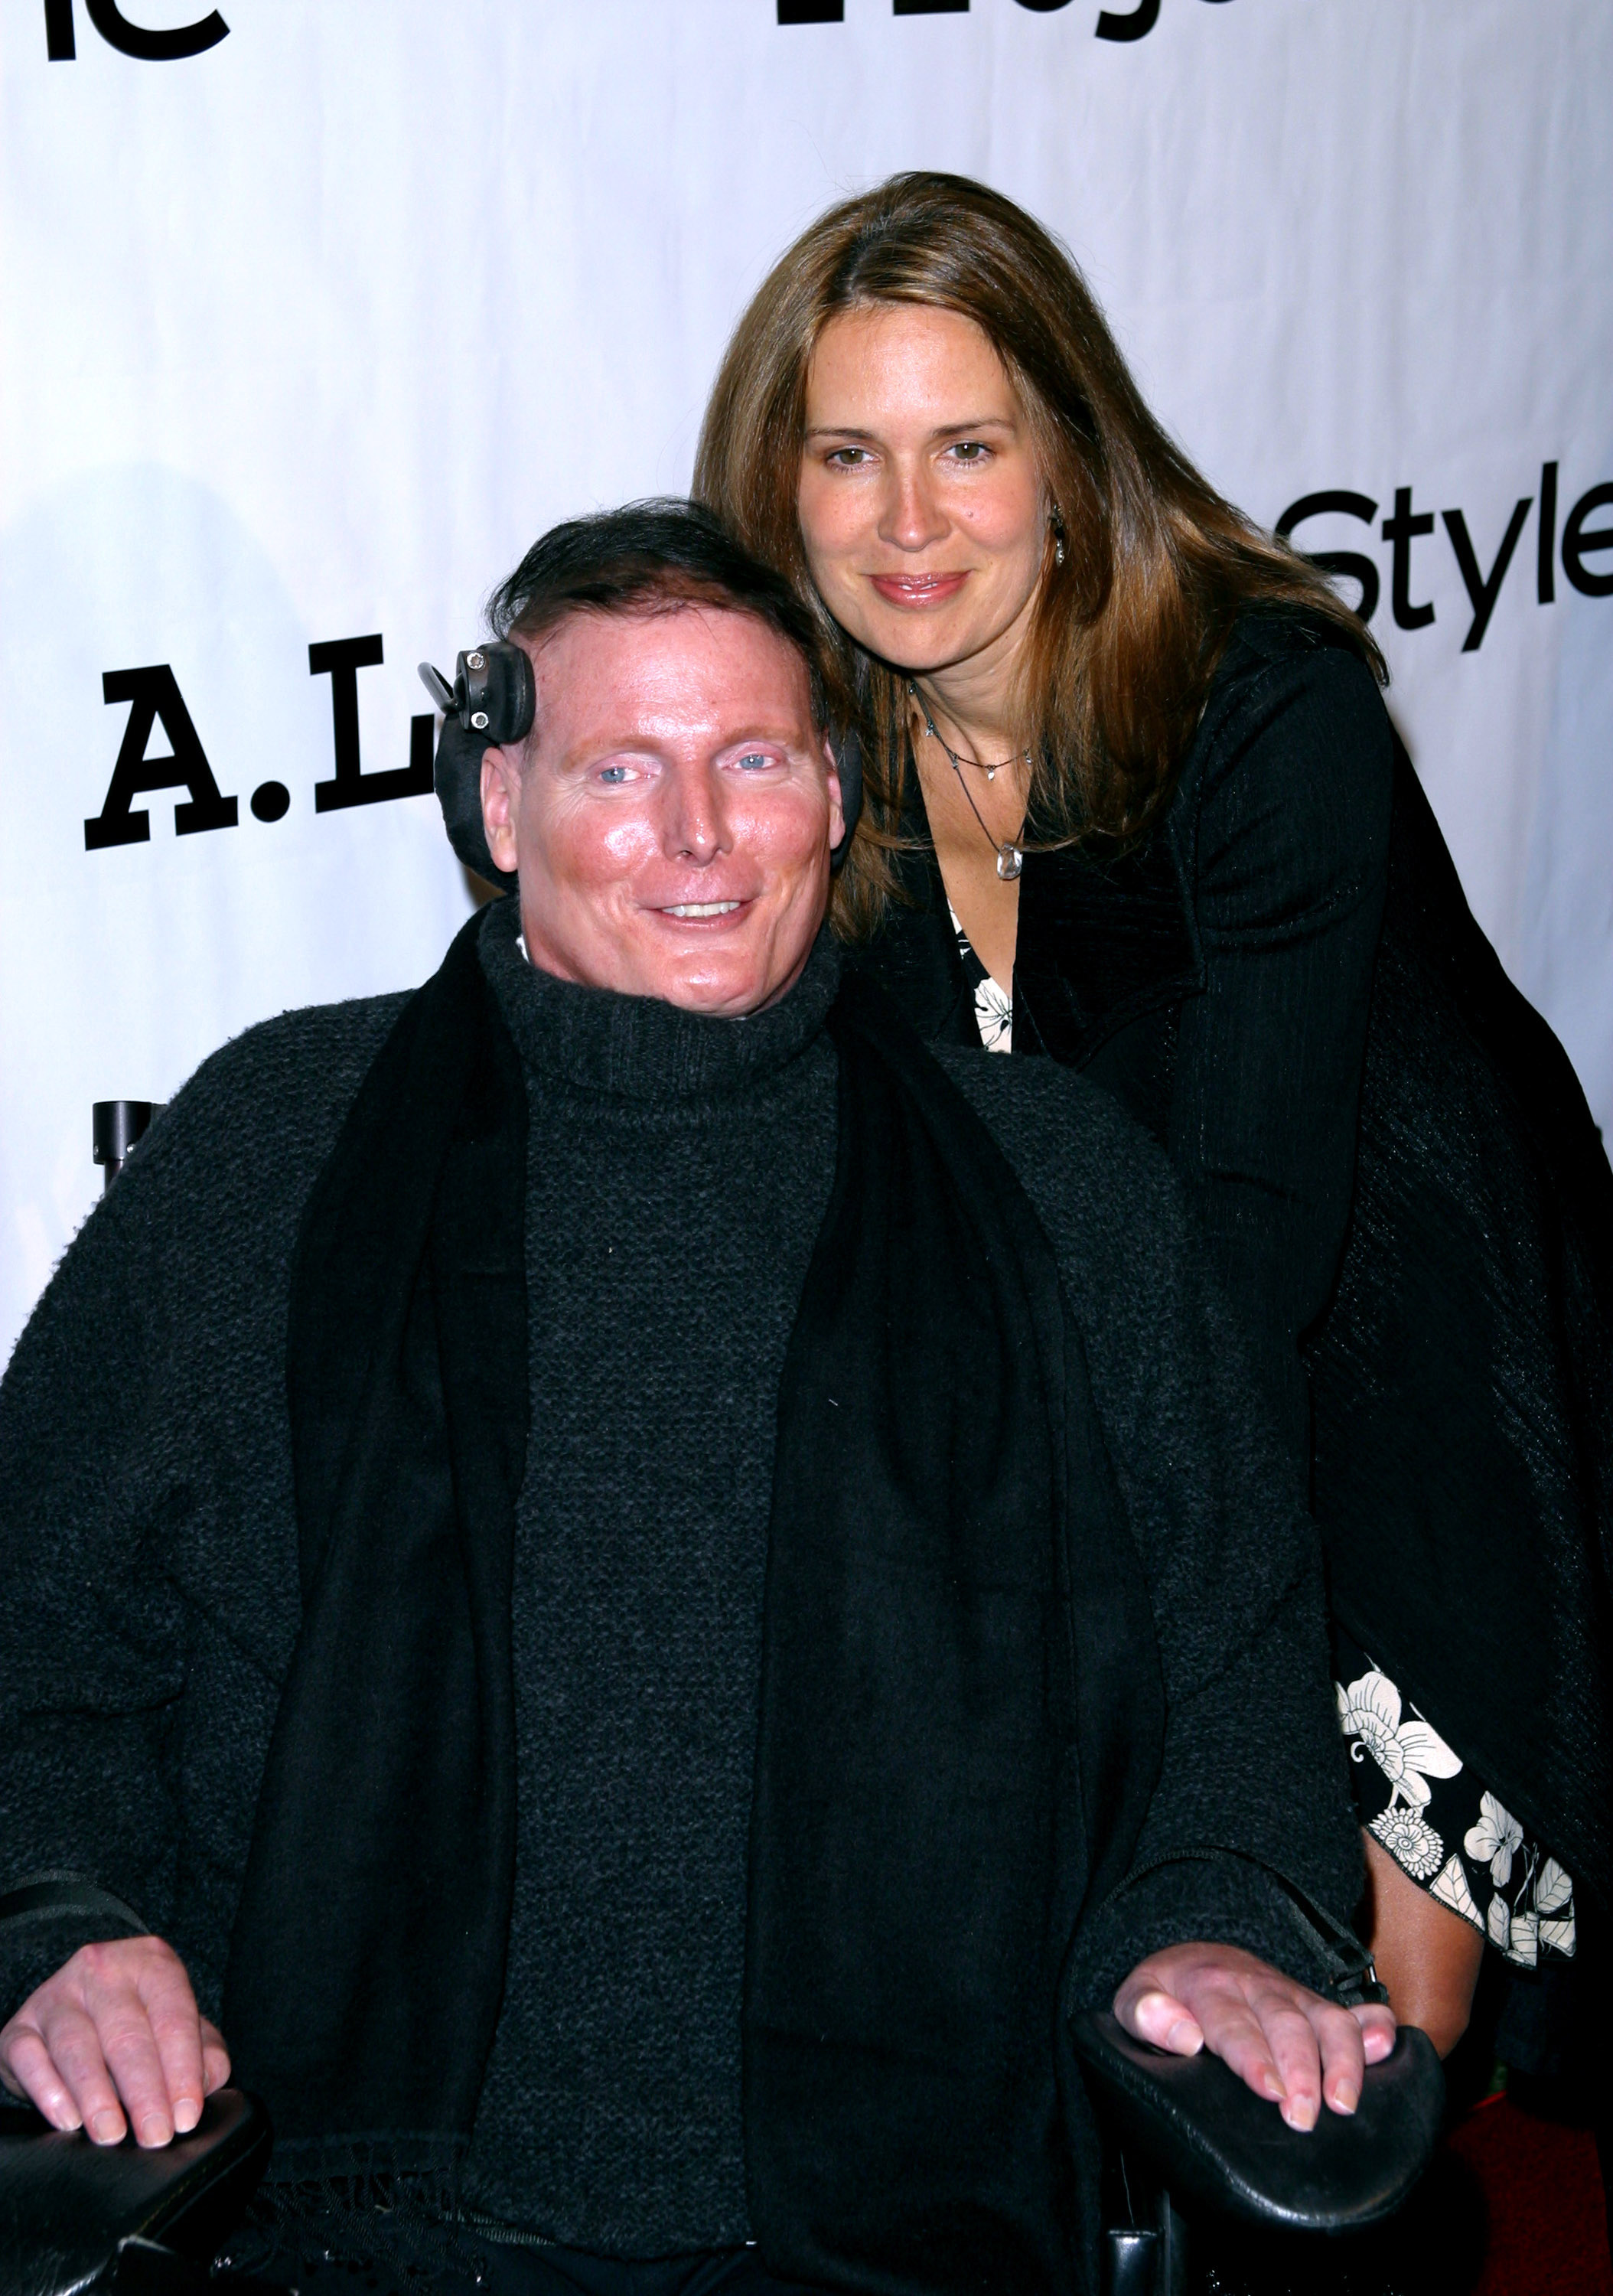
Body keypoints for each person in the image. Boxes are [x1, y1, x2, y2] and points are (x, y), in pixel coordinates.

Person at [0, 503, 1390, 2295]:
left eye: (749, 758)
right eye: (617, 771)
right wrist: (65, 1919)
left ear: (829, 791)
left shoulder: (1054, 1182)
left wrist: (1209, 1920)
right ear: (499, 809)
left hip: (920, 2218)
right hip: (367, 2229)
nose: (698, 837)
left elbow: (1232, 1653)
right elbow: (38, 1642)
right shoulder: (275, 1148)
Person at [694, 172, 1613, 2065]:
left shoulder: (1256, 701)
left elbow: (1263, 1231)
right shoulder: (805, 748)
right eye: (849, 456)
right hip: (1080, 1317)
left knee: (1342, 1997)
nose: (911, 521)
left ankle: (1373, 2116)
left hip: (1388, 1283)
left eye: (968, 445)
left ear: (1067, 453)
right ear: (779, 483)